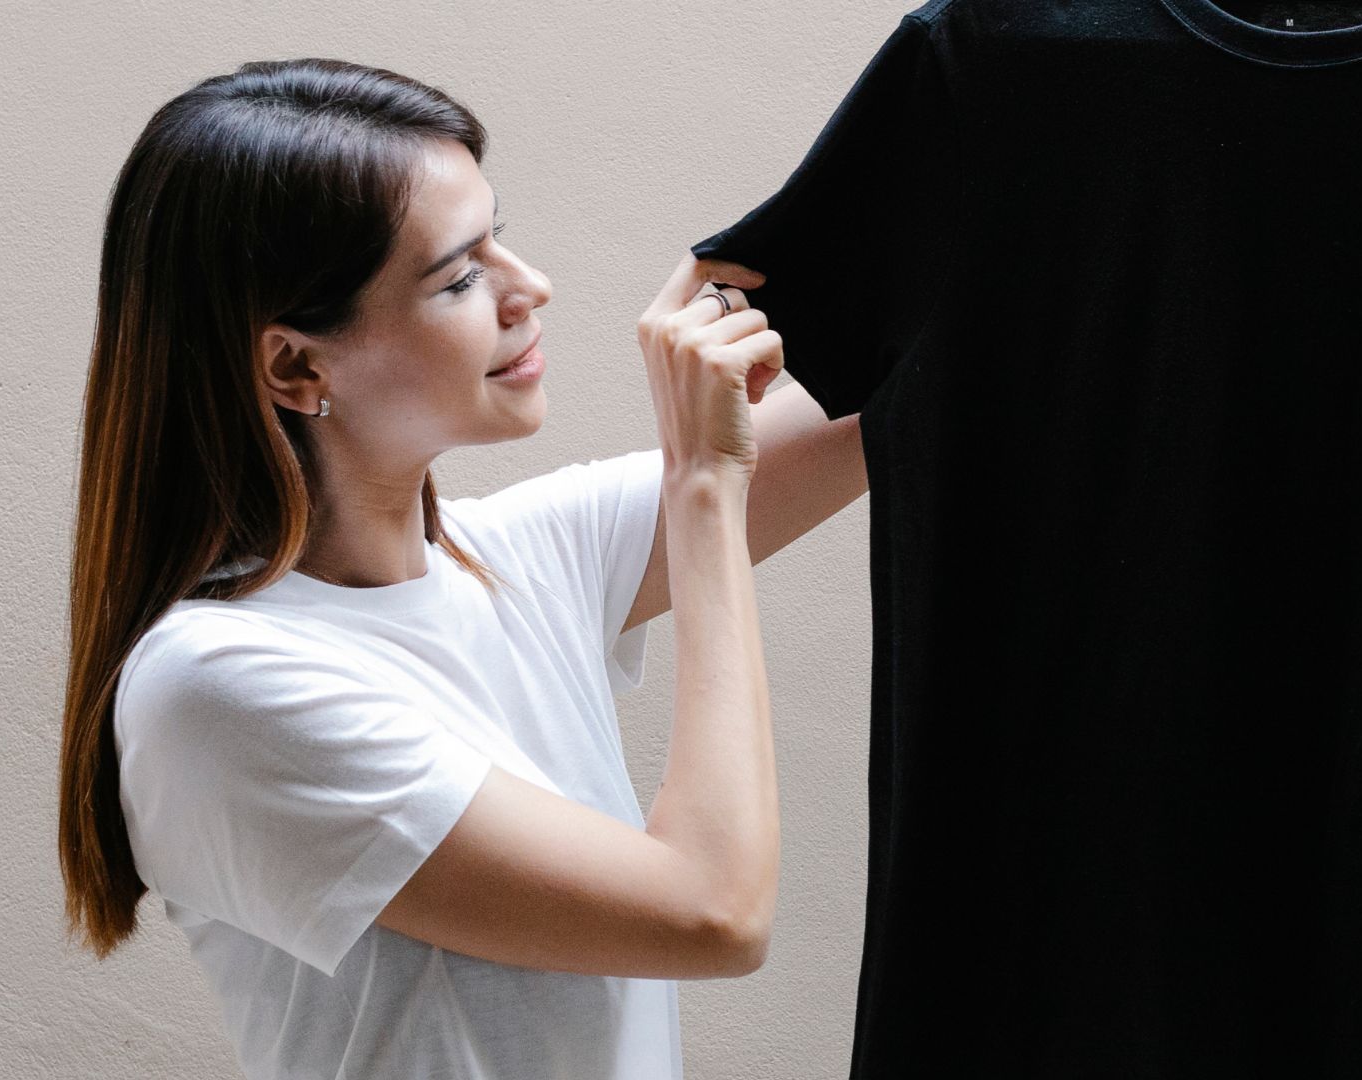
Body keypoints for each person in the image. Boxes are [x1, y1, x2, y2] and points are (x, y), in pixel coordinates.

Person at [55, 57, 867, 1079]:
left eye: (499, 238)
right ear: (297, 367)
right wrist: (704, 483)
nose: (531, 288)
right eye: (460, 276)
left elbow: (894, 391)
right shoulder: (218, 687)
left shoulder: (517, 555)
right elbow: (714, 913)